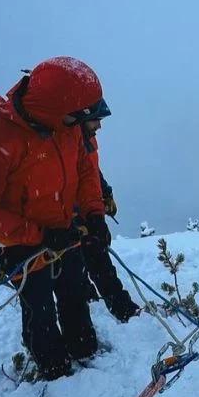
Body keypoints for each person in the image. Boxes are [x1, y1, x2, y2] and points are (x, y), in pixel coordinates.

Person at [0, 56, 113, 381]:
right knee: (39, 310)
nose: (79, 125)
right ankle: (53, 371)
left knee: (74, 294)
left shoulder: (65, 126)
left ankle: (85, 352)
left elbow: (85, 170)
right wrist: (35, 234)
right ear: (55, 108)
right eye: (75, 117)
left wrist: (94, 213)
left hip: (65, 233)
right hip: (21, 245)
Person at [80, 122, 140, 323]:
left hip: (90, 209)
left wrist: (105, 192)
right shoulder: (67, 140)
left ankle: (95, 300)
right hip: (77, 214)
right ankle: (123, 311)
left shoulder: (86, 138)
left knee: (93, 258)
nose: (99, 125)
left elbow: (92, 170)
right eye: (95, 119)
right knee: (96, 261)